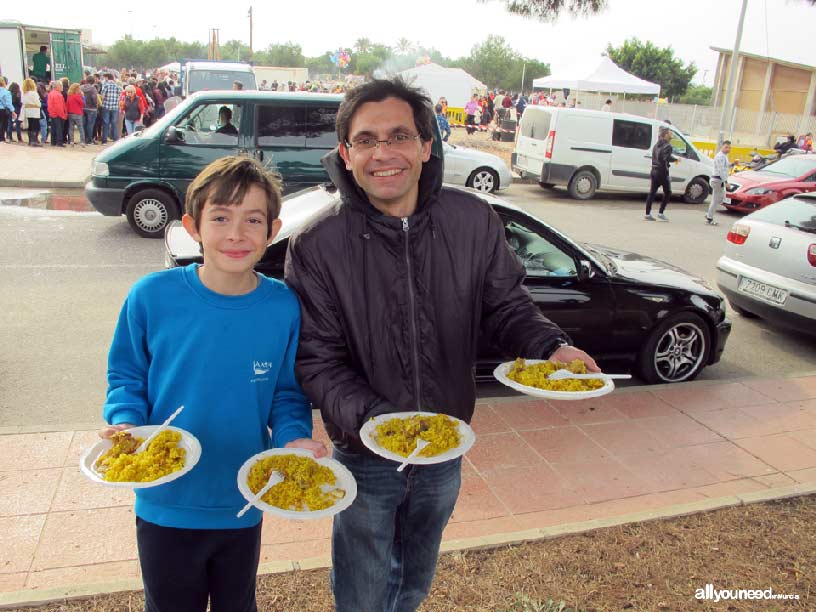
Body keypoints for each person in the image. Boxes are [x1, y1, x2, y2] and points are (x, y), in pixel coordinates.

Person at [284, 77, 598, 612]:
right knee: (361, 593)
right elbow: (317, 360)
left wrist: (550, 348)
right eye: (366, 140)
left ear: (427, 146)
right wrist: (386, 427)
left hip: (445, 450)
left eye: (399, 136)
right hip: (364, 454)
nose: (383, 153)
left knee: (414, 583)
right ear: (345, 152)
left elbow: (508, 306)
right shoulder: (316, 244)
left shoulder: (473, 220)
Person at [100, 155, 327, 612]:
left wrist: (293, 438)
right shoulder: (152, 296)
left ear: (273, 229)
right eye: (220, 217)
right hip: (165, 500)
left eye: (253, 220)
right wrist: (127, 424)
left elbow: (286, 392)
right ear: (192, 225)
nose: (236, 234)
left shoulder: (282, 306)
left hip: (243, 497)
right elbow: (126, 376)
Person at [645, 126, 678, 221]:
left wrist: (673, 159)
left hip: (654, 171)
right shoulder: (668, 146)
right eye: (670, 133)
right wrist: (666, 173)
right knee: (668, 192)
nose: (671, 135)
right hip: (662, 172)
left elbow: (662, 156)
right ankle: (661, 212)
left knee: (652, 192)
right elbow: (664, 158)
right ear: (666, 135)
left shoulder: (656, 145)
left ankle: (647, 214)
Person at [706, 140, 731, 226]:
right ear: (722, 147)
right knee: (717, 200)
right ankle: (709, 217)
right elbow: (721, 170)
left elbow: (725, 168)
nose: (728, 149)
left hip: (718, 180)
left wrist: (733, 164)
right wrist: (726, 182)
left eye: (729, 147)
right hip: (717, 180)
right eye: (726, 147)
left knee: (718, 199)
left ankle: (709, 215)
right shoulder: (720, 156)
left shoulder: (724, 156)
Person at [101, 73, 122, 143]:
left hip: (106, 106)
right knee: (114, 123)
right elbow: (120, 96)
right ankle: (115, 139)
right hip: (115, 107)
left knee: (105, 123)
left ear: (107, 78)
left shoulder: (106, 85)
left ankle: (104, 140)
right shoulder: (117, 86)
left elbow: (102, 96)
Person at [20, 78, 42, 146]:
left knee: (30, 125)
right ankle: (34, 140)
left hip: (27, 111)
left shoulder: (24, 93)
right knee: (36, 126)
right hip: (35, 111)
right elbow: (38, 103)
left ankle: (30, 140)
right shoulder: (34, 93)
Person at [47, 81, 67, 147]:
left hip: (52, 113)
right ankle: (59, 142)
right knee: (59, 128)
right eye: (61, 86)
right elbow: (59, 106)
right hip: (58, 114)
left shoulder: (51, 93)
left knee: (53, 128)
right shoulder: (58, 95)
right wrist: (63, 115)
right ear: (57, 86)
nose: (62, 87)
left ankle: (53, 142)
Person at [0, 77, 16, 142]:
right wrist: (13, 111)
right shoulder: (7, 92)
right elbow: (8, 103)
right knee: (3, 124)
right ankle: (1, 138)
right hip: (2, 110)